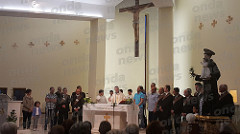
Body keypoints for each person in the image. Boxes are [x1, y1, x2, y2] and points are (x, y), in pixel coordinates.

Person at [194, 48, 221, 115]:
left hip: (211, 86)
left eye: (205, 55)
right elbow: (204, 77)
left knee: (210, 101)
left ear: (208, 56)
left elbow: (217, 74)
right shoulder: (205, 66)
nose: (204, 57)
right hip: (206, 86)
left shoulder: (212, 64)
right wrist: (197, 76)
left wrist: (211, 77)